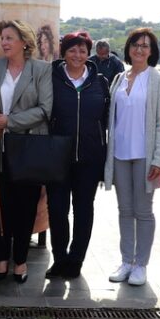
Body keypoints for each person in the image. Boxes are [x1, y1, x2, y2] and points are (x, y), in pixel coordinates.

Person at [0, 20, 52, 283]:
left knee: (24, 208)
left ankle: (20, 262)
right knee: (0, 206)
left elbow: (45, 110)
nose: (4, 42)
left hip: (29, 150)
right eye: (2, 38)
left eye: (9, 37)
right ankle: (0, 259)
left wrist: (9, 120)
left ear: (24, 41)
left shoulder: (42, 70)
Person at [104, 28, 160, 286]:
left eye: (145, 46)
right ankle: (126, 261)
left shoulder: (157, 80)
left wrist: (158, 159)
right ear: (128, 48)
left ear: (152, 51)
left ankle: (141, 264)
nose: (139, 49)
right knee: (125, 210)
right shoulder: (120, 77)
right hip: (120, 153)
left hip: (145, 155)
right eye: (135, 44)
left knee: (143, 211)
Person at [45, 31, 109, 280]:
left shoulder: (100, 82)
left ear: (88, 53)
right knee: (58, 210)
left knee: (84, 209)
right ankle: (59, 258)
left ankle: (76, 259)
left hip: (90, 158)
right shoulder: (51, 78)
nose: (77, 55)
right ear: (64, 52)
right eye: (72, 50)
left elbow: (107, 120)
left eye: (83, 50)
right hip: (57, 156)